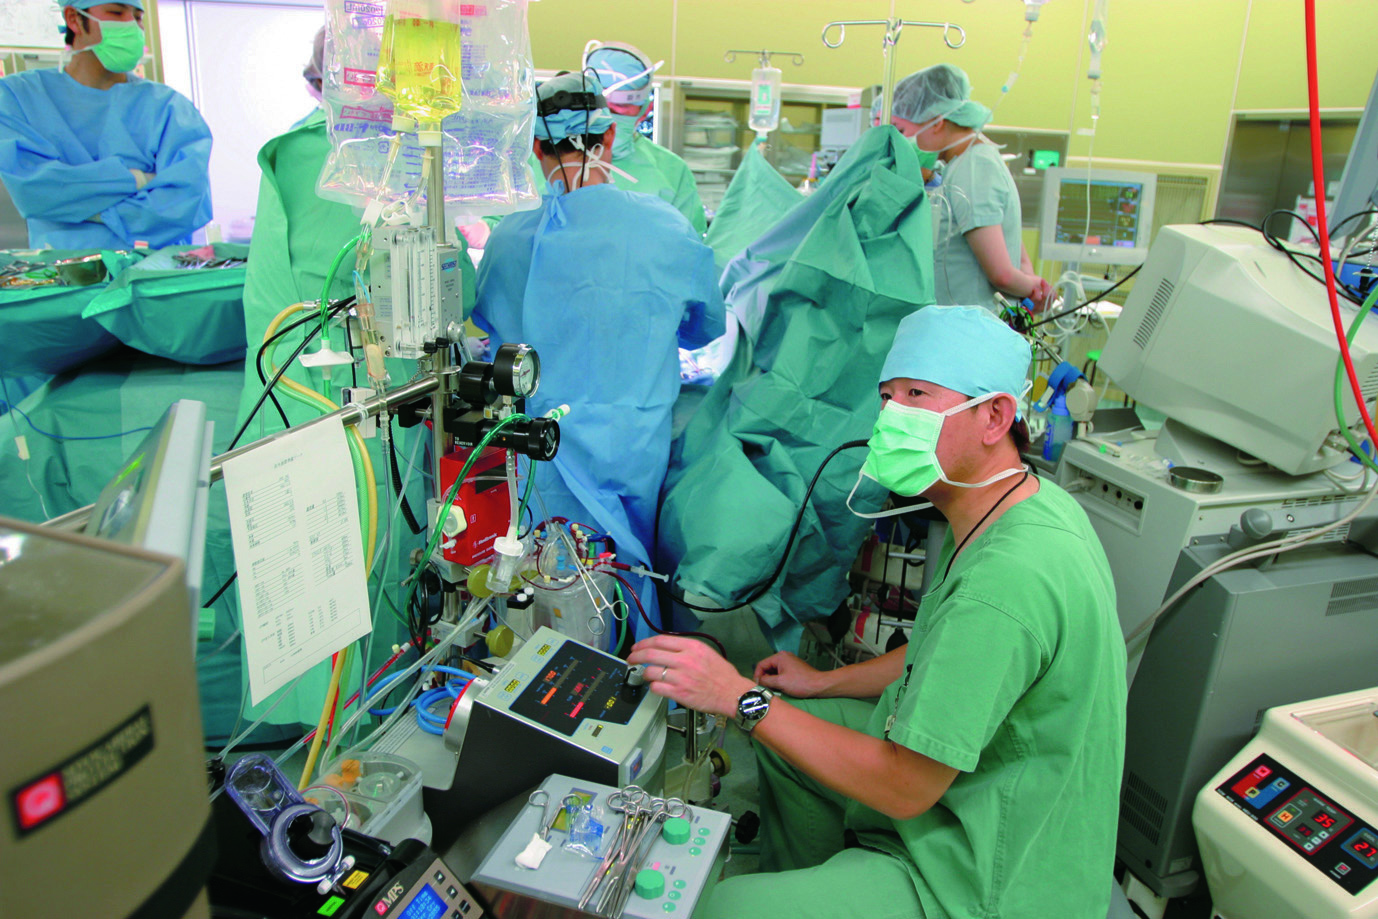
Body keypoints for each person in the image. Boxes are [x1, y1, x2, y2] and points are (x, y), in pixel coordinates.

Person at [630, 305, 1126, 918]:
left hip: (993, 876)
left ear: (995, 416)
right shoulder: (1022, 504)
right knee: (789, 741)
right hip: (976, 791)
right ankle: (815, 886)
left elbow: (905, 786)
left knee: (724, 908)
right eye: (887, 397)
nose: (891, 417)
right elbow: (943, 654)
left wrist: (737, 697)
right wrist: (822, 683)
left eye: (917, 395)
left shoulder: (1004, 581)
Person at [473, 70, 723, 637]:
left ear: (535, 149)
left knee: (542, 574)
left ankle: (544, 677)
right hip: (632, 445)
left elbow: (491, 329)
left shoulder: (510, 238)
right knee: (623, 568)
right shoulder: (666, 228)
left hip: (541, 450)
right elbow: (704, 327)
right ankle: (630, 667)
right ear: (611, 137)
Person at [0, 1, 212, 249]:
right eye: (116, 13)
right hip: (67, 269)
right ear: (74, 18)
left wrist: (74, 207)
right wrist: (140, 180)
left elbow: (184, 206)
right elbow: (35, 191)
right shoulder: (18, 98)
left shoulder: (169, 107)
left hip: (154, 269)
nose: (132, 26)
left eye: (138, 17)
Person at [890, 64, 1050, 311]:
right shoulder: (964, 165)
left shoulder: (974, 167)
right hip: (964, 322)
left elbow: (1002, 275)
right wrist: (1029, 281)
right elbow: (1012, 249)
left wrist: (1034, 289)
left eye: (903, 130)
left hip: (970, 325)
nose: (903, 140)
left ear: (937, 122)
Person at [583, 40, 707, 235]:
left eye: (621, 107)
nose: (607, 116)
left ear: (645, 110)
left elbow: (690, 246)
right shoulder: (547, 160)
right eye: (598, 105)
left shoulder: (671, 171)